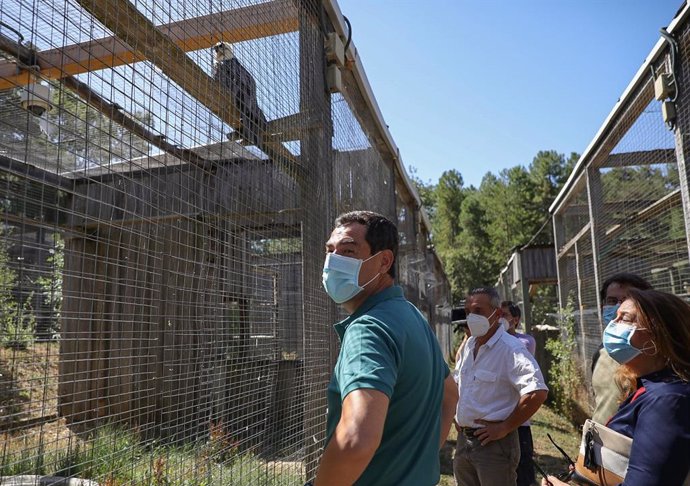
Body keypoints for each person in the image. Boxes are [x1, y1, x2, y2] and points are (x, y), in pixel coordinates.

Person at [312, 211, 458, 486]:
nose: (333, 261)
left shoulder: (368, 330)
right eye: (330, 251)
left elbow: (356, 439)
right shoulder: (412, 317)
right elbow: (450, 395)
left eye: (348, 251)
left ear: (384, 261)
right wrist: (416, 460)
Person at [542, 289, 690, 486]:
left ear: (658, 332)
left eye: (625, 319)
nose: (613, 325)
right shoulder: (646, 385)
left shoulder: (667, 400)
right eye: (615, 317)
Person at [454, 287, 548, 486]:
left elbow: (537, 392)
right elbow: (460, 383)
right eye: (468, 312)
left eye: (478, 311)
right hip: (464, 441)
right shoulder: (470, 345)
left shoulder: (510, 349)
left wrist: (505, 427)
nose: (471, 317)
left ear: (496, 314)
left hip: (494, 446)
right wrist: (458, 416)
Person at [591, 273, 652, 424]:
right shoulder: (602, 351)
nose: (619, 306)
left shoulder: (654, 356)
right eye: (612, 301)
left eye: (626, 300)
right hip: (601, 441)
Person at [500, 301, 537, 486]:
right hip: (498, 417)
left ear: (515, 320)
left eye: (504, 315)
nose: (500, 319)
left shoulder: (525, 341)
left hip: (519, 418)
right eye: (497, 314)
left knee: (524, 467)